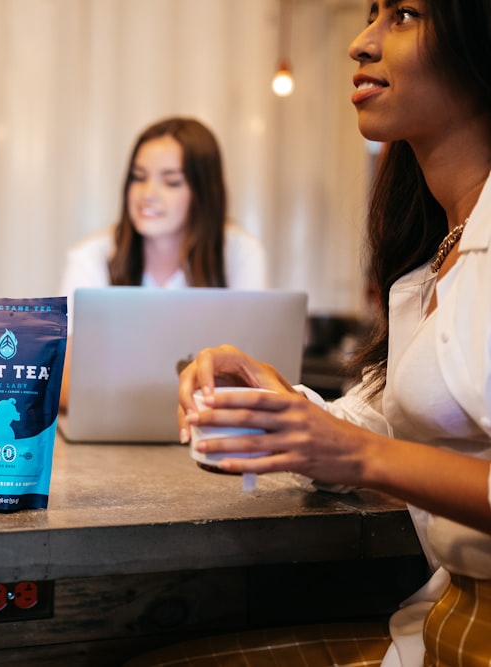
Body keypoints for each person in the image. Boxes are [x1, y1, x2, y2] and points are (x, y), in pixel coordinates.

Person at [147, 1, 491, 665]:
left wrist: (354, 454)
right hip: (441, 620)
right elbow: (396, 428)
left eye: (405, 15)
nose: (361, 44)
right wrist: (284, 406)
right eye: (371, 14)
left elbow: (373, 451)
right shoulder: (435, 258)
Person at [58, 117, 267, 408]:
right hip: (116, 431)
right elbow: (62, 380)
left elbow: (254, 376)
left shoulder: (240, 253)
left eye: (171, 182)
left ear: (204, 193)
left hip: (209, 430)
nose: (148, 195)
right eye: (138, 177)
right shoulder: (91, 257)